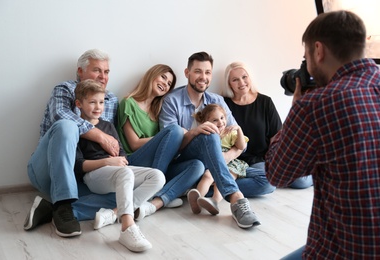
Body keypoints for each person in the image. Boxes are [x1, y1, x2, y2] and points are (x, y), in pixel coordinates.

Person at [265, 11, 380, 259]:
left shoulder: (316, 105)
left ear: (318, 50)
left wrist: (295, 111)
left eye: (306, 57)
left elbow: (277, 174)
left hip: (344, 250)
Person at [159, 51, 266, 228]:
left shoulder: (217, 101)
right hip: (188, 164)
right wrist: (194, 132)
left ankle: (202, 189)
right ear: (187, 73)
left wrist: (225, 157)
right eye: (198, 71)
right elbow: (170, 145)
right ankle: (235, 198)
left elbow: (239, 143)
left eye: (207, 72)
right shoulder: (172, 101)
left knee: (266, 182)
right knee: (209, 134)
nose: (203, 77)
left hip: (216, 164)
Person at [24, 49, 120, 237]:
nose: (103, 76)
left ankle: (54, 208)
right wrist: (100, 136)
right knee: (67, 125)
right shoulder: (64, 89)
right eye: (97, 70)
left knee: (122, 197)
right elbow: (59, 115)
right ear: (80, 71)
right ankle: (64, 203)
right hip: (46, 170)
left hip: (83, 174)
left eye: (106, 72)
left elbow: (110, 141)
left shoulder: (111, 99)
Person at [74, 79, 164, 252]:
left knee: (157, 176)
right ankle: (127, 227)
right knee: (125, 174)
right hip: (93, 175)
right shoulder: (76, 129)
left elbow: (121, 153)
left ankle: (113, 213)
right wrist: (108, 162)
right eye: (92, 102)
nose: (98, 107)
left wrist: (119, 161)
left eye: (101, 102)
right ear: (79, 104)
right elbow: (79, 166)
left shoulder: (107, 126)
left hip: (117, 170)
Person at [117, 64, 205, 217]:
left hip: (159, 164)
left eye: (169, 83)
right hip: (135, 162)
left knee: (197, 166)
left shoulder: (158, 110)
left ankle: (159, 199)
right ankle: (157, 191)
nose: (165, 84)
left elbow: (165, 148)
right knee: (175, 130)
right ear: (152, 75)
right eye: (163, 77)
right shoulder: (128, 103)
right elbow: (134, 143)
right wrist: (166, 136)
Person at [222, 61, 313, 189]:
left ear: (249, 78)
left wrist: (279, 162)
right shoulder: (223, 104)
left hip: (262, 160)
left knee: (301, 181)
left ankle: (223, 184)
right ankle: (220, 188)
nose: (241, 83)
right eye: (235, 80)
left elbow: (276, 136)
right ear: (229, 84)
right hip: (237, 161)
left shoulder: (265, 102)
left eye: (244, 77)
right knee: (268, 183)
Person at [187, 104, 249, 215]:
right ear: (206, 122)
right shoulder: (207, 134)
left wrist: (239, 129)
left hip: (231, 164)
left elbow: (241, 146)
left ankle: (214, 201)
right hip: (213, 163)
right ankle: (197, 198)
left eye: (222, 118)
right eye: (215, 120)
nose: (220, 122)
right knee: (207, 175)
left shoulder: (230, 133)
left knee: (223, 180)